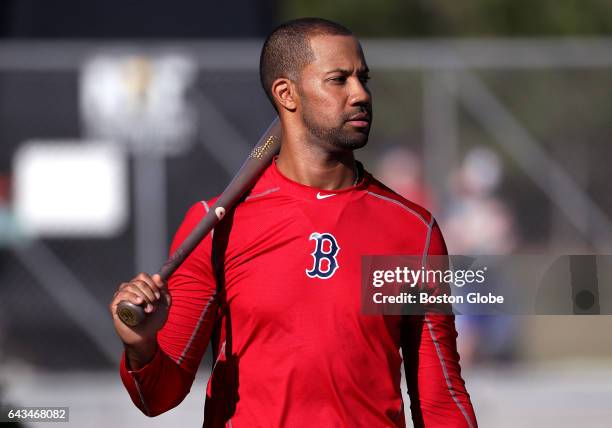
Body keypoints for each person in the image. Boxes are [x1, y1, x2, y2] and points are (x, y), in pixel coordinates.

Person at [110, 17, 477, 427]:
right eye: (339, 80)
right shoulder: (217, 226)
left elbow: (440, 394)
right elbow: (157, 396)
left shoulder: (410, 229)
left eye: (363, 78)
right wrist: (141, 346)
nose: (360, 94)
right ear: (287, 94)